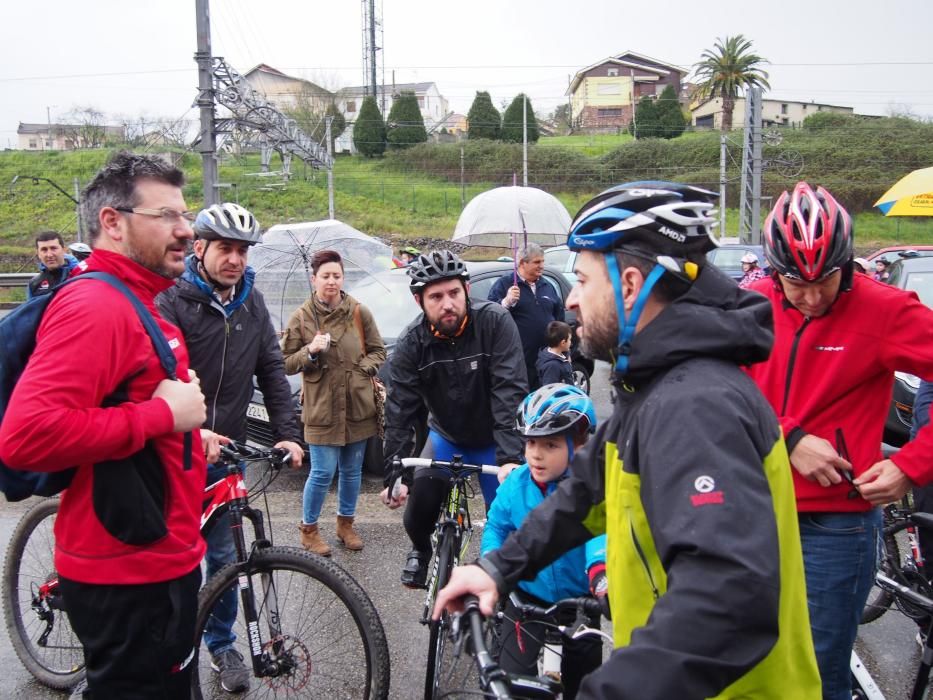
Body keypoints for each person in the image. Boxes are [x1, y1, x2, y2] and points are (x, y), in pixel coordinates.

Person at [433, 182, 821, 698]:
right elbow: (586, 492)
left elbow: (729, 597)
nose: (570, 299)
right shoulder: (657, 387)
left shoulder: (695, 404)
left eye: (583, 279)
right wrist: (498, 567)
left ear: (631, 284)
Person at [0, 151, 210, 698]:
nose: (186, 229)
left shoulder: (137, 300)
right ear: (112, 223)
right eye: (166, 216)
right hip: (128, 575)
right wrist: (164, 414)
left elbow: (117, 405)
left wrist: (184, 435)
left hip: (156, 560)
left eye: (185, 215)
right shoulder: (96, 305)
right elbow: (25, 436)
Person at [744, 181, 933, 700]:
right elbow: (708, 390)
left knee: (819, 675)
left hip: (836, 524)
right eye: (792, 281)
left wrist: (911, 464)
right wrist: (787, 437)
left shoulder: (886, 310)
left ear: (846, 263)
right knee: (750, 663)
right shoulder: (748, 307)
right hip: (749, 511)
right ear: (771, 268)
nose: (808, 296)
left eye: (824, 280)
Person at [156, 202, 304, 693]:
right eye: (225, 248)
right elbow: (155, 378)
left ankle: (220, 646)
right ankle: (150, 644)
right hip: (172, 450)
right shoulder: (171, 300)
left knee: (223, 556)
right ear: (199, 248)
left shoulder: (252, 302)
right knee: (161, 556)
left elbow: (272, 372)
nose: (235, 259)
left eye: (242, 250)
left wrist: (288, 432)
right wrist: (188, 432)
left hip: (227, 453)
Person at [379, 249, 528, 588]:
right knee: (417, 514)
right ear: (420, 302)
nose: (447, 303)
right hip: (446, 438)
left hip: (493, 440)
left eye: (453, 293)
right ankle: (421, 549)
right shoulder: (411, 343)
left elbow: (510, 391)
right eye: (436, 296)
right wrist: (395, 473)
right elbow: (400, 410)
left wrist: (509, 458)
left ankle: (503, 588)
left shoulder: (494, 322)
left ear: (465, 290)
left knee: (508, 522)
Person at [482, 383, 605, 700]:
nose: (536, 454)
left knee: (585, 687)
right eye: (531, 443)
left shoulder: (589, 485)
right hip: (526, 600)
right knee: (504, 686)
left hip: (578, 602)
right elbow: (497, 525)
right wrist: (491, 566)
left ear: (577, 446)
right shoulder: (517, 484)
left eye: (550, 445)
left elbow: (599, 532)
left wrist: (600, 570)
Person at [281, 249, 386, 557]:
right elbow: (285, 363)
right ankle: (309, 530)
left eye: (336, 275)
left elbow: (379, 351)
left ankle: (345, 525)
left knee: (352, 471)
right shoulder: (302, 317)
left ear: (343, 278)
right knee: (323, 472)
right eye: (325, 276)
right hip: (322, 407)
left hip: (357, 404)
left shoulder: (358, 312)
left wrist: (361, 369)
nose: (331, 281)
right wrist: (311, 351)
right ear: (314, 279)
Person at [487, 243, 565, 390]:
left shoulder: (547, 286)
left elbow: (559, 320)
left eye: (543, 261)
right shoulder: (504, 285)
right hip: (518, 363)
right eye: (537, 262)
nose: (542, 265)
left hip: (546, 361)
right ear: (522, 263)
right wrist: (506, 302)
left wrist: (563, 350)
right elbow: (490, 317)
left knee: (545, 402)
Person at [27, 231, 78, 298]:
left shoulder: (79, 277)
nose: (49, 255)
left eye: (53, 248)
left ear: (64, 250)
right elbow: (32, 308)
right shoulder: (34, 284)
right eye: (44, 250)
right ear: (38, 254)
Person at [535, 320, 574, 386]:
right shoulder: (552, 366)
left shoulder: (553, 351)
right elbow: (550, 390)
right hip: (562, 395)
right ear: (563, 343)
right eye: (570, 339)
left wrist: (567, 357)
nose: (571, 342)